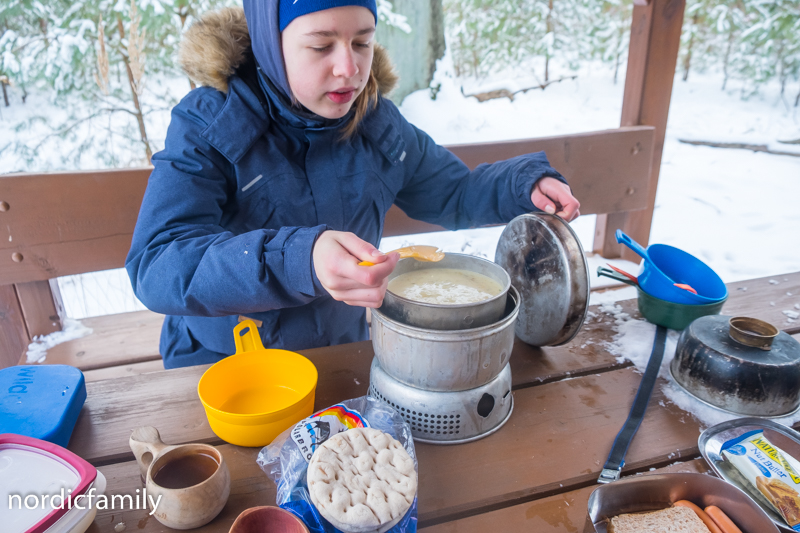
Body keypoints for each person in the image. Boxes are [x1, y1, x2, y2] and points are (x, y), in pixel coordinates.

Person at [125, 0, 581, 369]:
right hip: (229, 368)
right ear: (271, 44)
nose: (349, 68)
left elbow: (455, 193)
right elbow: (158, 262)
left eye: (362, 42)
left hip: (343, 355)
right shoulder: (212, 123)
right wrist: (300, 259)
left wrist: (522, 184)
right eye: (322, 46)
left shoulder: (377, 123)